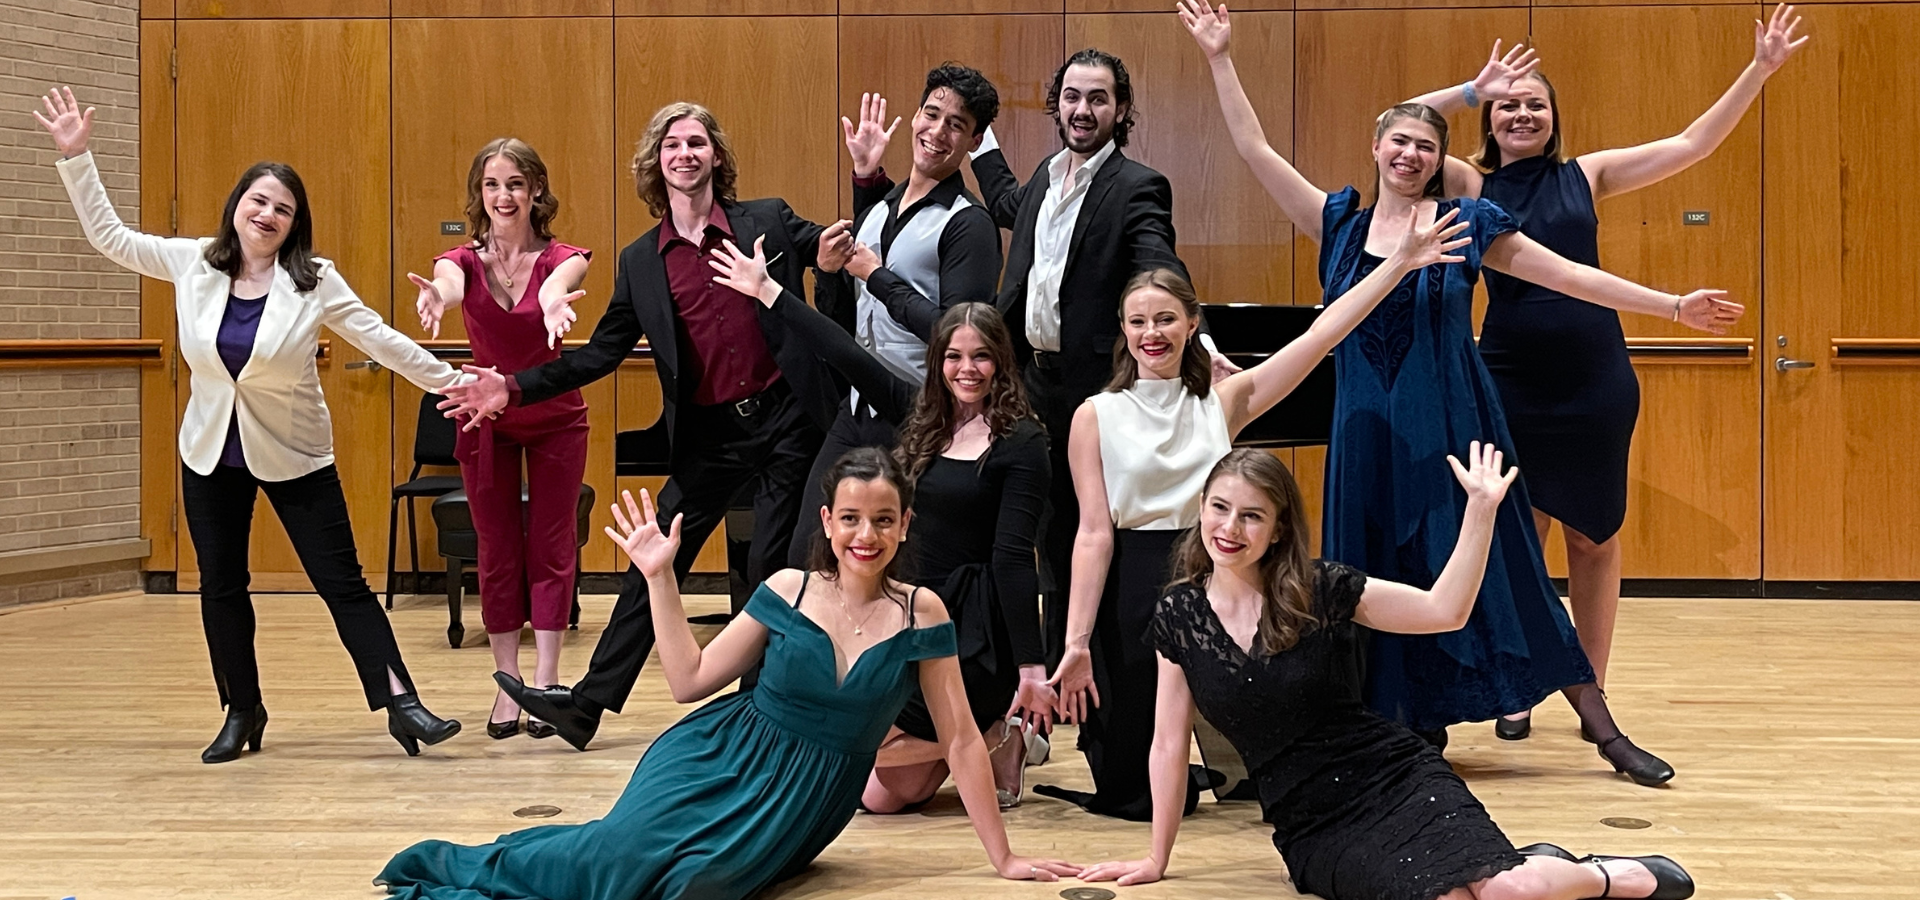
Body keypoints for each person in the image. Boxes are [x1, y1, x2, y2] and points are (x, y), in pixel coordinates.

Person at [1178, 0, 1747, 785]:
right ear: (1377, 149)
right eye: (1398, 140)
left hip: (1453, 422)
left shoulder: (1466, 224)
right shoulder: (1337, 223)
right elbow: (1253, 147)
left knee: (1504, 565)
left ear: (1440, 159)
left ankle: (1600, 725)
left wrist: (1672, 305)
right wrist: (1219, 57)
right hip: (1363, 433)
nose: (1410, 153)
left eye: (1424, 144)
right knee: (1366, 575)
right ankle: (1399, 726)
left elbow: (1570, 276)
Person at [376, 451, 1082, 900]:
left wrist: (1005, 858)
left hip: (801, 800)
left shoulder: (922, 613)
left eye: (883, 520)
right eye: (851, 520)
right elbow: (688, 681)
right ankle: (463, 869)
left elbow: (961, 740)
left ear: (904, 527)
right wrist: (659, 577)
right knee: (616, 863)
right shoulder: (787, 590)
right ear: (828, 522)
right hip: (716, 757)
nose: (865, 536)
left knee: (692, 886)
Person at [1402, 10, 1807, 741]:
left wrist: (1760, 70)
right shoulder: (1466, 179)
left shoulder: (1586, 176)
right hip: (1508, 373)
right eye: (1508, 105)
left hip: (1594, 379)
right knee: (1518, 534)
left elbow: (1693, 142)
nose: (1521, 112)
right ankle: (1520, 684)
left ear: (1554, 118)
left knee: (1593, 534)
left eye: (1534, 103)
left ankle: (1592, 685)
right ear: (1489, 122)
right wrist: (1469, 87)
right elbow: (1401, 123)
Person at [35, 87, 464, 761]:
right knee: (222, 586)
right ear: (238, 204)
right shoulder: (193, 263)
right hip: (209, 454)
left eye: (283, 209)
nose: (267, 214)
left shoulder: (314, 280)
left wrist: (458, 383)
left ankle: (401, 704)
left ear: (296, 225)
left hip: (296, 456)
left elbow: (382, 340)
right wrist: (78, 158)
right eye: (259, 200)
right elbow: (111, 238)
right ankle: (242, 712)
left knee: (342, 584)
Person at [1079, 447, 1697, 900]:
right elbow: (1167, 743)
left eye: (1251, 516)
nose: (1229, 529)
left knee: (1516, 893)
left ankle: (1606, 874)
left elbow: (1443, 611)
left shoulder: (1320, 588)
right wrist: (1156, 858)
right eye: (1219, 509)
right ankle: (1539, 866)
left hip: (1394, 775)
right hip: (1312, 823)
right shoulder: (1179, 613)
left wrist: (1480, 512)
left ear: (1278, 529)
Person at [439, 102, 854, 751]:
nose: (684, 153)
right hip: (710, 436)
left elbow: (830, 255)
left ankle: (758, 710)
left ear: (715, 156)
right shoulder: (641, 262)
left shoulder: (765, 219)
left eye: (695, 142)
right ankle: (586, 705)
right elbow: (601, 353)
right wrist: (512, 385)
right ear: (656, 166)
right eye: (671, 145)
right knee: (650, 562)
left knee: (768, 565)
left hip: (788, 422)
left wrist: (852, 208)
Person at [1041, 206, 1473, 821]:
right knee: (1131, 794)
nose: (1151, 333)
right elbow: (1091, 535)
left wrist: (1400, 262)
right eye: (1138, 322)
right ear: (1124, 329)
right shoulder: (1094, 414)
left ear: (1193, 325)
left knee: (1268, 765)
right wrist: (1077, 641)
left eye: (1166, 319)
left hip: (1219, 570)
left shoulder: (1226, 399)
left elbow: (1320, 337)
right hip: (1130, 585)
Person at [716, 233, 1053, 808]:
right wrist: (769, 290)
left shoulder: (1024, 442)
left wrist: (1029, 665)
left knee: (879, 795)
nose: (966, 369)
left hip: (974, 633)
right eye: (953, 356)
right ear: (937, 360)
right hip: (909, 612)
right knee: (883, 795)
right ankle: (991, 738)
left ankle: (994, 724)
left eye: (980, 356)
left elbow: (1014, 558)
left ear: (1001, 361)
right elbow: (845, 353)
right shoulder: (920, 417)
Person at [969, 48, 1226, 664]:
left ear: (1121, 109)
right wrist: (981, 145)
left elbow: (1157, 259)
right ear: (1057, 105)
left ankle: (1088, 667)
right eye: (1073, 97)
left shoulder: (1137, 187)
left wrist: (1199, 335)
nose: (1083, 111)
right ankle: (1047, 672)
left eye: (1098, 99)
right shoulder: (1043, 179)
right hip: (1029, 383)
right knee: (1034, 530)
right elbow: (1009, 204)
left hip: (1094, 391)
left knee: (1087, 532)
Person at [784, 64, 1005, 568]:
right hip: (857, 407)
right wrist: (828, 269)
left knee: (899, 560)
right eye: (932, 114)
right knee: (807, 552)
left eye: (956, 124)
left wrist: (879, 276)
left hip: (917, 413)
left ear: (972, 141)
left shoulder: (969, 224)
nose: (937, 131)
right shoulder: (880, 205)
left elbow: (958, 337)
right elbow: (844, 313)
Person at [409, 138, 592, 741]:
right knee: (497, 549)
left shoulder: (564, 257)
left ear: (536, 189)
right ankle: (507, 683)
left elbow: (554, 286)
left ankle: (544, 682)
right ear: (479, 194)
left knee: (551, 543)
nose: (504, 195)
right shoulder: (461, 261)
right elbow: (451, 284)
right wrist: (438, 296)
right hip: (484, 417)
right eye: (492, 185)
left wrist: (552, 303)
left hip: (554, 415)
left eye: (515, 183)